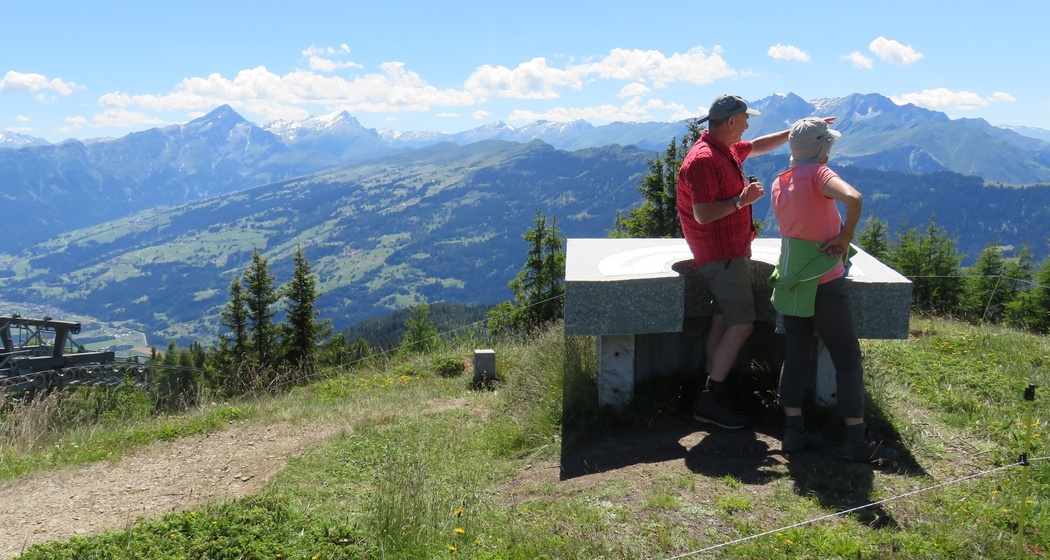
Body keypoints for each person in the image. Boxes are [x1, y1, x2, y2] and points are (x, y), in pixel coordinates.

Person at [768, 117, 899, 463]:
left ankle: (794, 432)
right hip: (824, 278)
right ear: (823, 149)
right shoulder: (819, 175)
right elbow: (854, 198)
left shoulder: (780, 181)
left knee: (796, 352)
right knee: (846, 356)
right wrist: (845, 237)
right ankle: (856, 439)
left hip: (792, 277)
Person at [677, 94, 798, 429]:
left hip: (726, 253)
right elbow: (703, 214)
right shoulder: (703, 160)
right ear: (731, 122)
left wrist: (794, 132)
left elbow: (757, 145)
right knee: (742, 324)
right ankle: (710, 398)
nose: (748, 125)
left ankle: (710, 383)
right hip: (721, 255)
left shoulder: (724, 149)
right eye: (745, 119)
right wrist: (741, 200)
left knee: (722, 320)